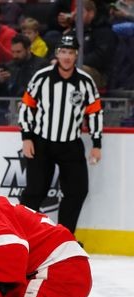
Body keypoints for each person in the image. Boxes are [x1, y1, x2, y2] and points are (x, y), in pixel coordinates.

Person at [18, 34, 103, 235]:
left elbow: (95, 113)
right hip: (42, 143)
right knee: (34, 192)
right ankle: (23, 235)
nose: (67, 56)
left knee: (77, 190)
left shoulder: (86, 82)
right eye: (63, 51)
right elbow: (26, 107)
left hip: (71, 144)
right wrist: (27, 136)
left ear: (76, 55)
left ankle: (64, 236)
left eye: (71, 52)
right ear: (57, 53)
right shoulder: (42, 77)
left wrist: (97, 143)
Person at [67, 0, 117, 89]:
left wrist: (74, 61)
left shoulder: (104, 31)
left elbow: (100, 58)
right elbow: (59, 48)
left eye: (80, 12)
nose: (76, 15)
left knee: (77, 70)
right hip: (73, 65)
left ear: (91, 14)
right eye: (75, 12)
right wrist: (54, 59)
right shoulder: (73, 32)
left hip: (98, 73)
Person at [0, 34, 47, 98]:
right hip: (11, 104)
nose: (15, 56)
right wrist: (1, 82)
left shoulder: (42, 65)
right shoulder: (9, 66)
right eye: (13, 52)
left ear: (28, 49)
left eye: (18, 52)